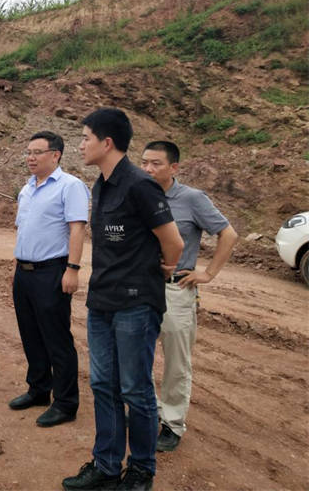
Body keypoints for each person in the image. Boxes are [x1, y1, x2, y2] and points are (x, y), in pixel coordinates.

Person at [63, 108, 183, 491]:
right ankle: (107, 465)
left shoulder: (140, 185)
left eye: (85, 138)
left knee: (135, 388)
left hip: (136, 305)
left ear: (107, 142)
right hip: (102, 301)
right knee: (103, 384)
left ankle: (142, 470)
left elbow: (174, 242)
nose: (80, 145)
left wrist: (162, 270)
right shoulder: (100, 185)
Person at [141, 140, 238, 452]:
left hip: (175, 289)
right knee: (135, 354)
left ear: (174, 167)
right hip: (140, 287)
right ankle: (148, 410)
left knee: (176, 361)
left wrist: (207, 274)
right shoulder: (138, 195)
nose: (148, 169)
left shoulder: (192, 199)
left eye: (156, 163)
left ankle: (172, 422)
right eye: (144, 162)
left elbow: (228, 234)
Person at [10, 131, 89, 428]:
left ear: (55, 155)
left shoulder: (70, 186)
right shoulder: (27, 188)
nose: (30, 158)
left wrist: (73, 269)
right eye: (28, 152)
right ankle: (39, 389)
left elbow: (77, 229)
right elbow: (23, 229)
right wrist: (17, 267)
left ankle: (66, 403)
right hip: (24, 272)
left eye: (37, 152)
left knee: (57, 338)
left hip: (52, 271)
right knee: (30, 334)